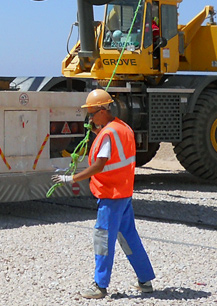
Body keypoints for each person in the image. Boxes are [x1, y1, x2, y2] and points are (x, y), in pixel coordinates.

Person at [53, 89, 155, 299]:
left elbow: (100, 165)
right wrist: (96, 131)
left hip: (110, 195)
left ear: (103, 110)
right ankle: (145, 281)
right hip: (123, 192)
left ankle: (100, 286)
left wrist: (71, 178)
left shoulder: (108, 134)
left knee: (103, 239)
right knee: (129, 237)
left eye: (92, 113)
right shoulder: (121, 128)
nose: (89, 117)